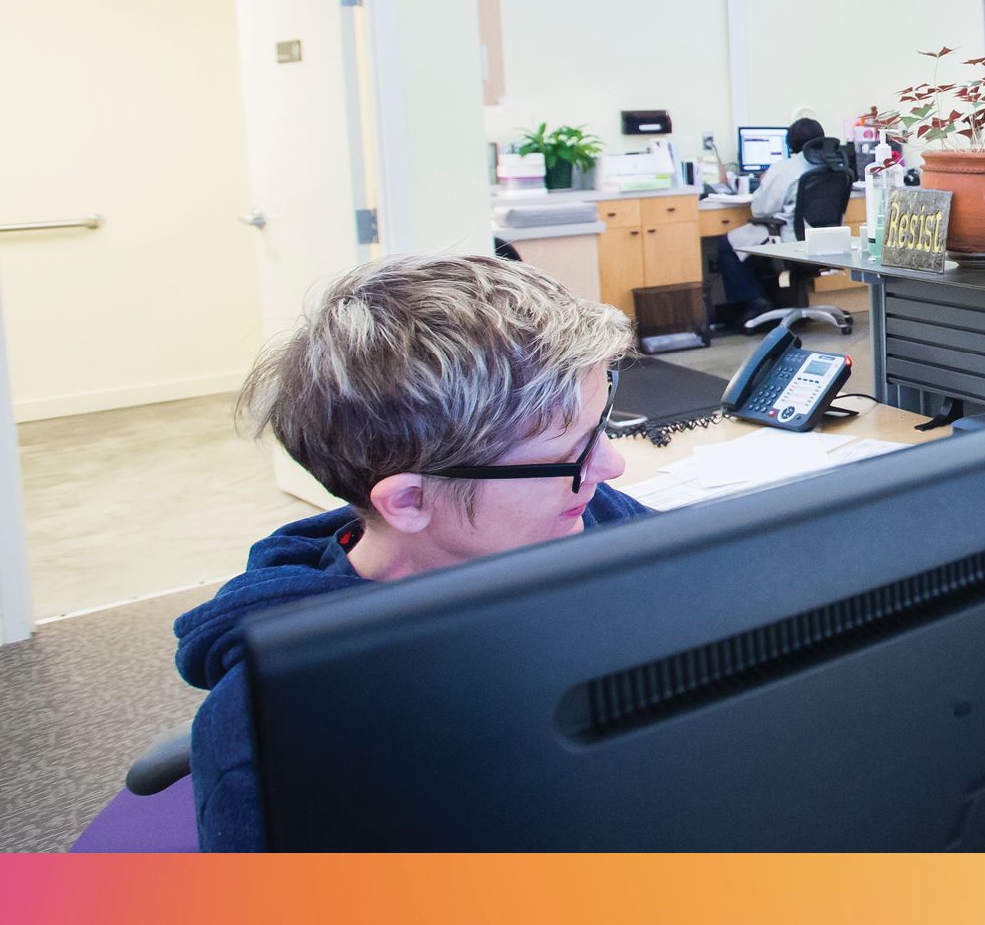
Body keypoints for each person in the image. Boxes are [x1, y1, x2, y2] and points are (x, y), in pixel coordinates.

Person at [172, 254, 649, 851]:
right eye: (571, 454)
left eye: (601, 426)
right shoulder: (276, 736)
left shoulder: (591, 518)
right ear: (408, 501)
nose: (611, 468)